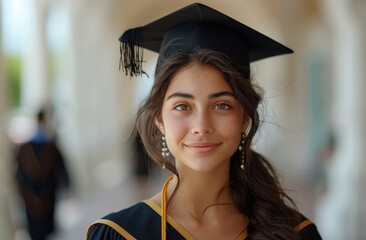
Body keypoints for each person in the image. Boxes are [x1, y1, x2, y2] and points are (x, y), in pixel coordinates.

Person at [87, 3, 322, 239]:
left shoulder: (294, 233)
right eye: (182, 106)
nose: (201, 126)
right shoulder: (119, 234)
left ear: (245, 118)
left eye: (221, 106)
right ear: (159, 119)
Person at [15, 109, 70, 240]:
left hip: (31, 195)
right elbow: (62, 170)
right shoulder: (51, 146)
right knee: (45, 229)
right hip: (47, 194)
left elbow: (18, 175)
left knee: (36, 230)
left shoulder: (25, 148)